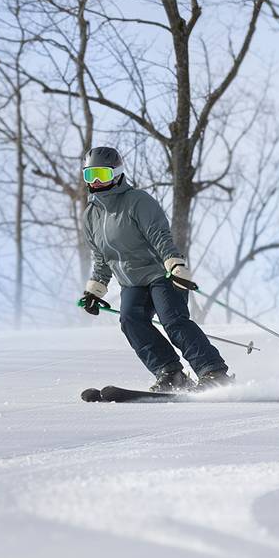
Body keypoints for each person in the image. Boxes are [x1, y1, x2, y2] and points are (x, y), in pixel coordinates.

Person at [75, 145, 232, 392]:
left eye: (102, 174)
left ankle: (212, 371)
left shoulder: (137, 201)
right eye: (89, 175)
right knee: (130, 320)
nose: (95, 181)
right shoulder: (90, 216)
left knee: (173, 320)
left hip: (161, 274)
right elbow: (101, 257)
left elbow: (159, 236)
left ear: (116, 174)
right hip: (131, 282)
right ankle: (170, 374)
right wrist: (94, 291)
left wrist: (176, 265)